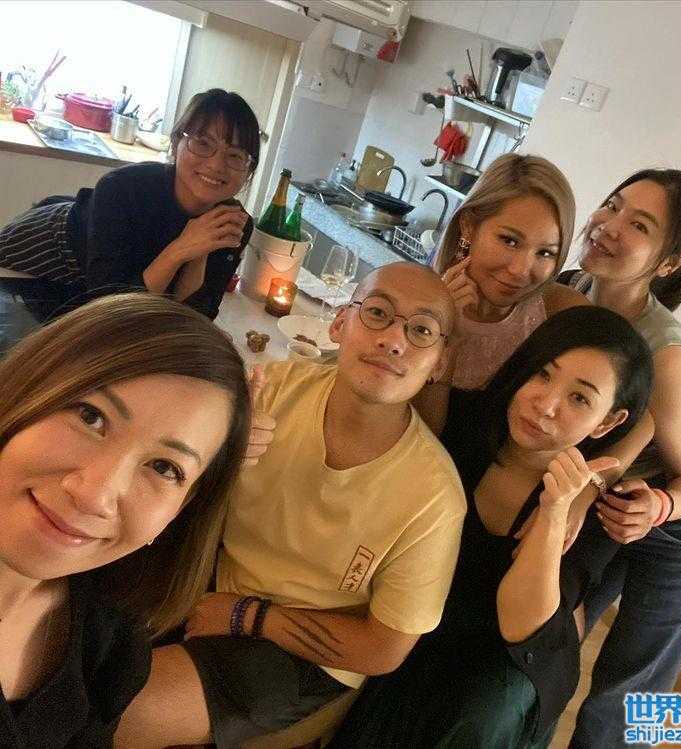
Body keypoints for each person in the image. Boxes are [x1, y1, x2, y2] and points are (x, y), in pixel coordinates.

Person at [115, 262, 467, 748]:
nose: (393, 340)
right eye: (378, 313)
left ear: (441, 364)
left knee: (128, 710)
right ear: (340, 323)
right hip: (207, 575)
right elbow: (162, 486)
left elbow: (384, 648)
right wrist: (218, 461)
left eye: (421, 330)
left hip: (303, 653)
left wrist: (247, 615)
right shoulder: (274, 389)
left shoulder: (433, 498)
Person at [330, 305, 654, 748]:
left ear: (609, 422)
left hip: (510, 664)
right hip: (425, 625)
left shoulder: (599, 510)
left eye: (579, 399)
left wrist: (555, 509)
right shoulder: (463, 424)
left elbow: (520, 627)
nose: (546, 404)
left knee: (483, 707)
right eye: (542, 374)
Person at [0, 292, 251, 747]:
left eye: (164, 468)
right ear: (26, 387)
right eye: (90, 417)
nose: (95, 495)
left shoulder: (113, 644)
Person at [558, 169, 681, 748]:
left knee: (624, 696)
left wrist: (656, 507)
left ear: (670, 261)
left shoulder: (666, 354)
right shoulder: (569, 290)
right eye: (612, 205)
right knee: (557, 637)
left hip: (676, 525)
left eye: (639, 225)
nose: (608, 225)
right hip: (606, 498)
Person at [0, 88, 260, 319]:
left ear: (248, 170)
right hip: (43, 249)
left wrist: (201, 251)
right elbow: (110, 309)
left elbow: (191, 316)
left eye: (235, 155)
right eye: (203, 143)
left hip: (97, 293)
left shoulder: (233, 223)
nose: (216, 165)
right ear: (175, 144)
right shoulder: (123, 188)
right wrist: (180, 249)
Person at [414, 152, 588, 436]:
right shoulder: (416, 302)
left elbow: (633, 404)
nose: (521, 270)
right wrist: (446, 337)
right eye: (510, 241)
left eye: (545, 253)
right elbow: (420, 436)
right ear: (469, 226)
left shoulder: (559, 311)